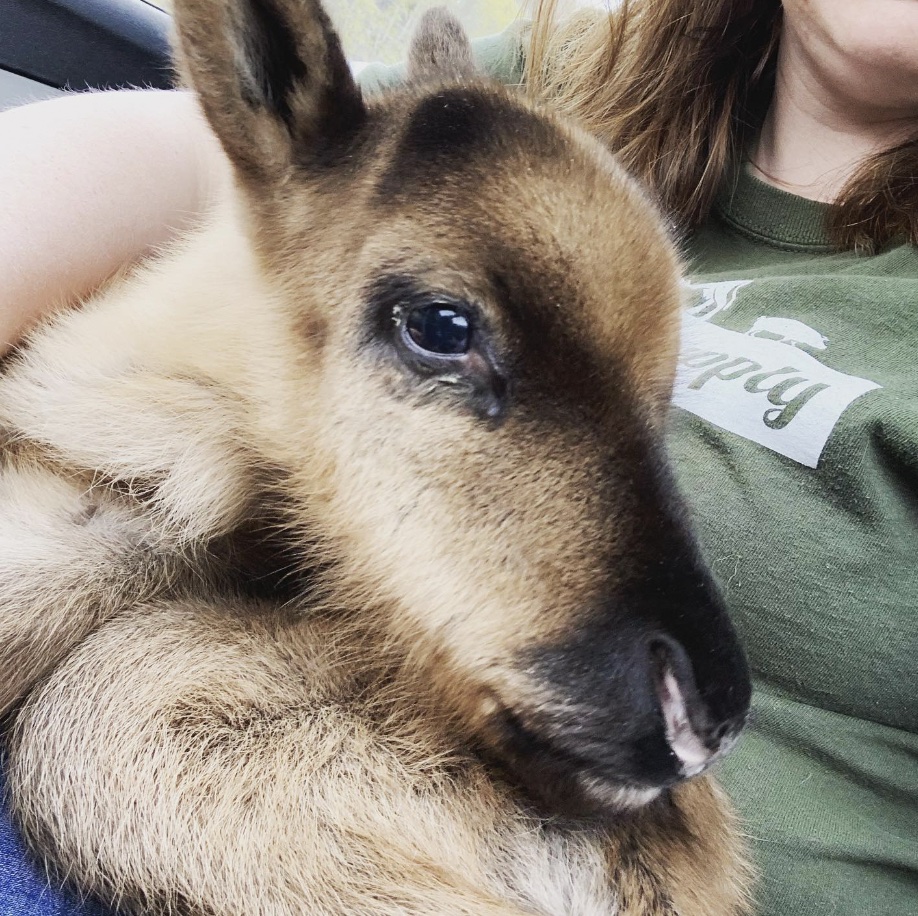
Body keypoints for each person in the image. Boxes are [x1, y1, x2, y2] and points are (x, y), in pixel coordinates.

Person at [0, 0, 915, 913]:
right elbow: (206, 153)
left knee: (108, 709)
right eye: (441, 331)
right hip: (294, 722)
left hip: (521, 835)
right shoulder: (587, 81)